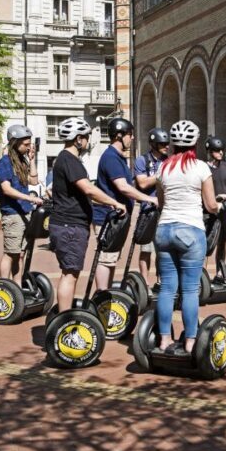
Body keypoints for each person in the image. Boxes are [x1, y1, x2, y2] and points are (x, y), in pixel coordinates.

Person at [155, 120, 221, 353]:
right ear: (194, 143)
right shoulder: (201, 167)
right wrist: (218, 209)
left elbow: (161, 203)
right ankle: (191, 341)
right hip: (190, 230)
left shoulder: (163, 168)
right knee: (190, 289)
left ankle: (164, 340)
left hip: (164, 230)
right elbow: (210, 204)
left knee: (166, 289)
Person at [48, 117, 126, 313]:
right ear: (78, 139)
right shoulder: (69, 160)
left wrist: (105, 203)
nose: (87, 141)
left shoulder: (66, 160)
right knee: (70, 274)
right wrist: (114, 202)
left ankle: (64, 318)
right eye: (86, 137)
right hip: (69, 226)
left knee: (71, 272)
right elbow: (88, 189)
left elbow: (84, 193)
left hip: (70, 225)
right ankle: (64, 322)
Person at [92, 118, 156, 292]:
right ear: (119, 136)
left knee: (112, 258)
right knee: (106, 258)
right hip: (108, 217)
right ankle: (101, 295)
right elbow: (123, 187)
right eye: (129, 134)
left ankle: (105, 294)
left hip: (116, 217)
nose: (132, 138)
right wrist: (149, 199)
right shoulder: (111, 158)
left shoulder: (117, 157)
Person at [0, 124, 43, 280]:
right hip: (12, 214)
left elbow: (34, 181)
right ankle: (4, 285)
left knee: (21, 254)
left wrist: (32, 160)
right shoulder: (5, 162)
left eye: (30, 144)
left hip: (25, 212)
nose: (29, 147)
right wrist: (30, 198)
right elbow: (6, 189)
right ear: (15, 142)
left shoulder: (21, 162)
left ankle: (17, 286)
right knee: (10, 253)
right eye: (26, 144)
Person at [134, 127, 170, 284]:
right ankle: (144, 283)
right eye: (162, 144)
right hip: (148, 211)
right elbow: (142, 183)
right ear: (154, 144)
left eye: (167, 143)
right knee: (146, 249)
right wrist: (160, 175)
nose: (166, 146)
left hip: (165, 211)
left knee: (164, 250)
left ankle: (160, 280)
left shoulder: (168, 161)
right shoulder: (142, 160)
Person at [205, 136, 226, 258]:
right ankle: (201, 274)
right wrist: (215, 198)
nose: (221, 152)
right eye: (217, 150)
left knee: (222, 243)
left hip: (223, 211)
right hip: (207, 212)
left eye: (222, 150)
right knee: (206, 244)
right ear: (210, 151)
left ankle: (220, 272)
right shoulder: (203, 168)